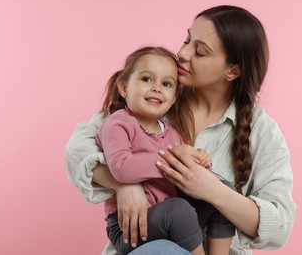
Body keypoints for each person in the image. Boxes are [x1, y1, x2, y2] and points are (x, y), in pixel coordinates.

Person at [65, 5, 296, 255]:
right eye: (187, 40)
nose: (183, 54)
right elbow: (77, 149)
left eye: (200, 51)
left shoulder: (261, 131)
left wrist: (212, 190)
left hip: (203, 239)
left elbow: (280, 224)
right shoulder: (155, 98)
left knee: (221, 190)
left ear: (232, 71)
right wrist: (124, 184)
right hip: (144, 247)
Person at [95, 46, 235, 255]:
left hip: (169, 217)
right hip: (130, 227)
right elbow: (121, 168)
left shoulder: (171, 132)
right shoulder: (118, 124)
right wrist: (175, 159)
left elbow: (181, 179)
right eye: (146, 79)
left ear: (175, 97)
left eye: (166, 84)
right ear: (124, 87)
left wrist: (198, 162)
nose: (157, 88)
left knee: (222, 189)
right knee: (178, 210)